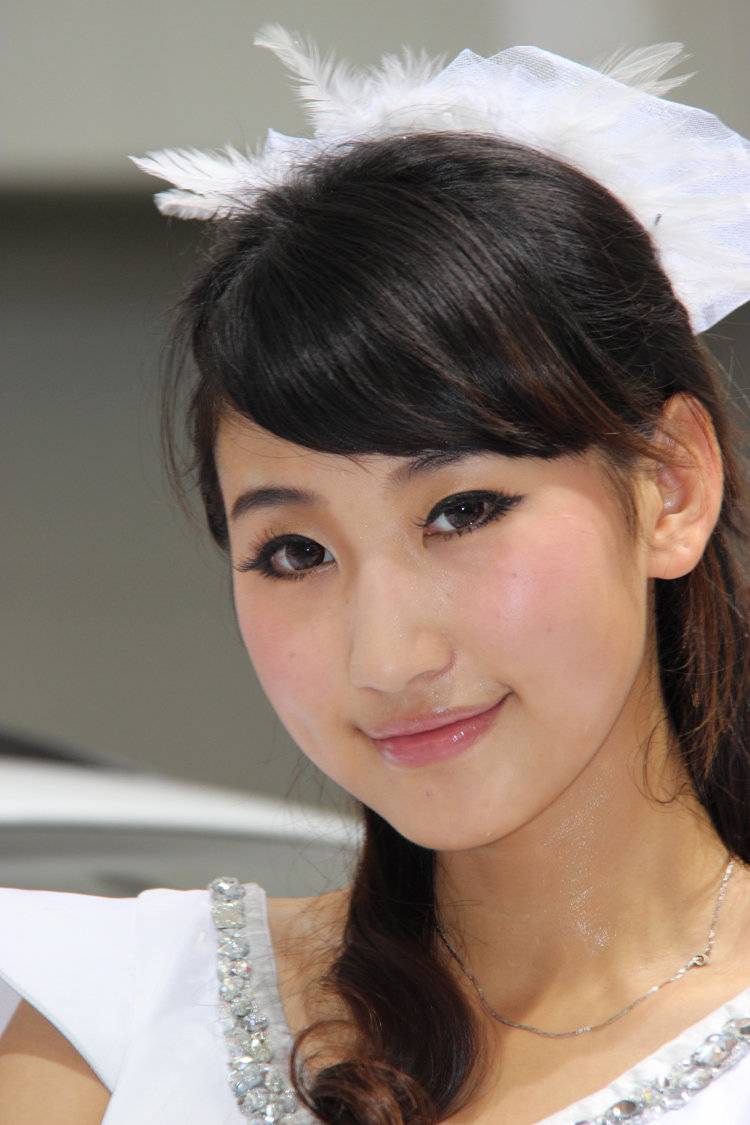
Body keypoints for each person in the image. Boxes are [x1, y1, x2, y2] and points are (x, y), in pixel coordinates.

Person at [1, 25, 749, 1125]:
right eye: (295, 553)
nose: (388, 656)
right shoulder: (115, 1027)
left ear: (671, 486)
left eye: (463, 510)